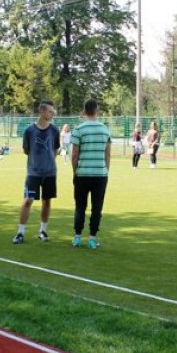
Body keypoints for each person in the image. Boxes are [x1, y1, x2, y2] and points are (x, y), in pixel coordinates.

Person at [13, 100, 61, 244]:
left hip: (50, 173)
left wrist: (49, 161)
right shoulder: (29, 131)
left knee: (47, 202)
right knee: (28, 201)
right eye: (50, 111)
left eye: (53, 111)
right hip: (33, 173)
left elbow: (55, 149)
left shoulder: (54, 130)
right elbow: (26, 150)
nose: (52, 114)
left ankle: (43, 231)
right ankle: (20, 233)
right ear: (42, 111)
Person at [71, 99, 111, 249]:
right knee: (97, 207)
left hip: (82, 174)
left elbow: (74, 154)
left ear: (84, 111)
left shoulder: (79, 130)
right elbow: (108, 154)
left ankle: (77, 237)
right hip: (100, 174)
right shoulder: (105, 129)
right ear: (97, 110)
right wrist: (106, 170)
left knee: (80, 206)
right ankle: (93, 238)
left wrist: (75, 171)